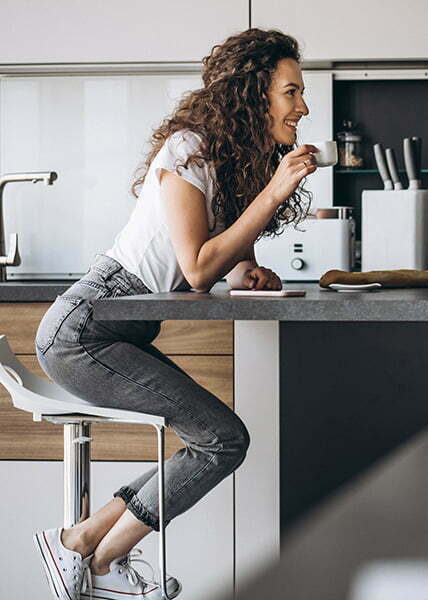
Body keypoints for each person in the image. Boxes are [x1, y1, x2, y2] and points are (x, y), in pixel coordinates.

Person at [33, 28, 318, 599]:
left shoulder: (227, 162)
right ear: (254, 92)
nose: (303, 106)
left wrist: (249, 274)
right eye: (291, 92)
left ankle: (84, 539)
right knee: (222, 441)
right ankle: (105, 558)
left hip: (120, 329)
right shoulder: (188, 149)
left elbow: (222, 262)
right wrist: (274, 192)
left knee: (215, 439)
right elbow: (194, 268)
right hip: (84, 331)